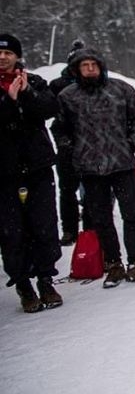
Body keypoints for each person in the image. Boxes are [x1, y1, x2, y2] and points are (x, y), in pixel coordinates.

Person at [56, 48, 135, 289]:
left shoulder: (119, 89)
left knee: (132, 213)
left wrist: (132, 142)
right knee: (101, 218)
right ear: (77, 70)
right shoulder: (68, 96)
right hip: (90, 168)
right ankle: (113, 263)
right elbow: (59, 128)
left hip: (121, 163)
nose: (90, 69)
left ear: (101, 67)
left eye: (94, 64)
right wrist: (71, 148)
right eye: (85, 65)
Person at [0, 34, 64, 313]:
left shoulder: (34, 80)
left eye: (8, 53)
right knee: (12, 230)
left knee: (44, 224)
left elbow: (49, 109)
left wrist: (26, 94)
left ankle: (46, 278)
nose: (3, 57)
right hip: (4, 171)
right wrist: (8, 101)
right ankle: (23, 283)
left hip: (37, 167)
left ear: (17, 55)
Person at [49, 38, 88, 245]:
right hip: (67, 144)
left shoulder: (95, 81)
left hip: (91, 143)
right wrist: (62, 140)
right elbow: (51, 115)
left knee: (92, 188)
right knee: (67, 190)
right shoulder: (57, 85)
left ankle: (92, 227)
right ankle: (70, 230)